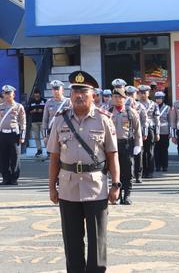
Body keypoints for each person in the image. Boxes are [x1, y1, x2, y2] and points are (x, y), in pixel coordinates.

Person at [47, 71, 120, 273]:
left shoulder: (104, 120)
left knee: (97, 241)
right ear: (70, 95)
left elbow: (112, 155)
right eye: (75, 92)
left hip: (95, 187)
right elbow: (54, 157)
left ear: (93, 95)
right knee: (72, 241)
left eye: (83, 92)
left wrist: (116, 185)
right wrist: (52, 187)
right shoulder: (60, 120)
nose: (79, 96)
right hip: (68, 187)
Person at [110, 87, 140, 205]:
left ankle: (127, 195)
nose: (116, 99)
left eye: (119, 97)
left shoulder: (130, 112)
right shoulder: (108, 112)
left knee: (127, 171)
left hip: (127, 144)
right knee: (115, 171)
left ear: (124, 98)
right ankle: (117, 195)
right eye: (114, 97)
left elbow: (137, 129)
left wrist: (138, 145)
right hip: (113, 145)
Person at [0, 85, 26, 185]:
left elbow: (23, 122)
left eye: (9, 93)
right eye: (5, 93)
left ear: (14, 95)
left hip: (14, 134)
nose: (7, 95)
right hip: (3, 134)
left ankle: (14, 178)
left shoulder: (18, 106)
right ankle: (5, 178)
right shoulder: (0, 107)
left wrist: (22, 136)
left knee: (15, 157)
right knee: (3, 157)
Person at [138, 85, 160, 179]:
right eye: (141, 93)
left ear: (148, 93)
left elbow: (157, 119)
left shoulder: (154, 104)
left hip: (150, 128)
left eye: (145, 92)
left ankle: (150, 171)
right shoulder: (136, 104)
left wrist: (157, 133)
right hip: (139, 129)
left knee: (150, 151)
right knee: (140, 151)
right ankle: (142, 171)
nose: (143, 95)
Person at [153, 92, 171, 172]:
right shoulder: (153, 106)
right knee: (156, 149)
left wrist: (171, 132)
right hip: (155, 131)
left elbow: (170, 120)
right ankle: (157, 166)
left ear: (163, 99)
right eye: (157, 98)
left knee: (164, 149)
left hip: (165, 131)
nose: (158, 100)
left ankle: (165, 166)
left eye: (160, 98)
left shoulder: (167, 108)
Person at [27, 88, 46, 158]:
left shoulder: (44, 101)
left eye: (37, 94)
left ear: (40, 94)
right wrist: (33, 111)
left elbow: (47, 110)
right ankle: (39, 150)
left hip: (42, 121)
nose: (36, 95)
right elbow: (28, 111)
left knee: (45, 136)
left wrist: (42, 110)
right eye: (35, 94)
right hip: (34, 121)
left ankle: (48, 150)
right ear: (34, 94)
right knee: (36, 137)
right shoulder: (31, 101)